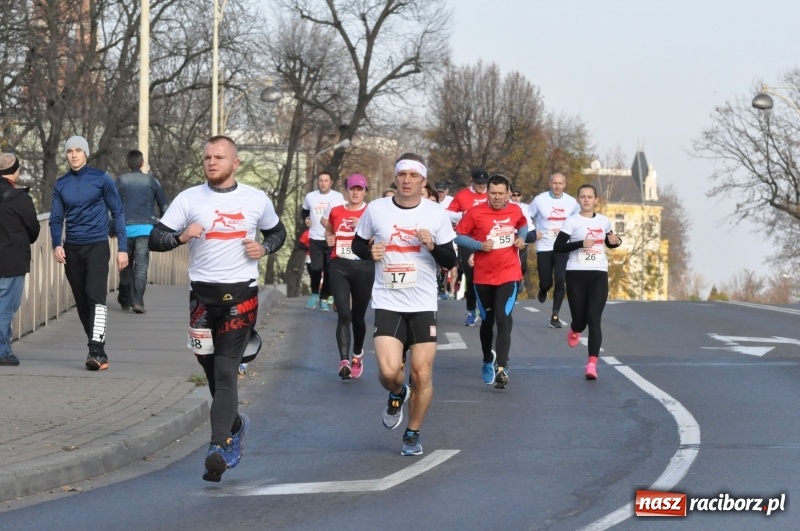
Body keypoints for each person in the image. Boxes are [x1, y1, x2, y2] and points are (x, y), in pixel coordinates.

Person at [148, 135, 286, 482]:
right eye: (207, 157)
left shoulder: (255, 199)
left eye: (219, 157)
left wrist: (264, 248)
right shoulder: (188, 198)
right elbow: (155, 239)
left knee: (225, 371)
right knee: (211, 371)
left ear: (234, 163)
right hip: (201, 300)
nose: (212, 162)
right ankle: (234, 426)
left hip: (241, 297)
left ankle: (217, 447)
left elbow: (278, 233)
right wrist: (180, 237)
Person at [352, 153, 457, 457]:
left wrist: (432, 245)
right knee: (388, 373)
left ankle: (412, 433)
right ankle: (398, 393)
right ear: (395, 177)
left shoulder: (436, 213)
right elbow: (358, 243)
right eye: (402, 175)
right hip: (388, 300)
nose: (407, 180)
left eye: (414, 176)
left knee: (422, 374)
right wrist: (369, 252)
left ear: (423, 180)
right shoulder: (377, 208)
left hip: (423, 303)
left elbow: (450, 259)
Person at [49, 136, 128, 371]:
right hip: (72, 248)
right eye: (69, 151)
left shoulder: (101, 178)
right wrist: (57, 244)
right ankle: (98, 350)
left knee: (96, 296)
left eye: (78, 150)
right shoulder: (61, 184)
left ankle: (96, 351)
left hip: (97, 245)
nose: (73, 155)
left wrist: (122, 248)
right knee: (82, 301)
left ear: (85, 153)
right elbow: (56, 218)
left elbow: (118, 211)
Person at [455, 174, 527, 389]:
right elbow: (459, 235)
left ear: (508, 193)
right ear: (487, 192)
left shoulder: (515, 210)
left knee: (503, 317)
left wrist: (522, 238)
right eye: (493, 193)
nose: (497, 197)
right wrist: (478, 246)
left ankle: (502, 367)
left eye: (501, 193)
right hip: (483, 276)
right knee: (487, 322)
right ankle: (488, 360)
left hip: (509, 274)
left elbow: (523, 225)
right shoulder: (475, 212)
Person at [553, 184, 621, 380]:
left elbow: (610, 242)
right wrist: (581, 243)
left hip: (598, 273)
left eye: (589, 197)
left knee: (594, 318)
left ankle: (592, 364)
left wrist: (617, 241)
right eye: (582, 197)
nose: (586, 200)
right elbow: (558, 246)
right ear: (578, 200)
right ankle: (575, 329)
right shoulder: (572, 221)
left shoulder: (603, 221)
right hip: (576, 273)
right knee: (580, 321)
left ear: (595, 200)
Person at [322, 174, 374, 380]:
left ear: (365, 192)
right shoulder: (336, 211)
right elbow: (328, 232)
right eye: (352, 188)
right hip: (339, 265)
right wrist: (329, 238)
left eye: (359, 189)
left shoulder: (371, 212)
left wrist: (362, 225)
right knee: (344, 314)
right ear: (346, 190)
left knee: (358, 317)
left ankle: (357, 355)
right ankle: (343, 360)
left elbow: (379, 237)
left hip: (363, 267)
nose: (355, 192)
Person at [115, 149, 169, 314]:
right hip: (146, 230)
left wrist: (111, 227)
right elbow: (164, 205)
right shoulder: (152, 181)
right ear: (142, 163)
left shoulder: (121, 181)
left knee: (125, 266)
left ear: (127, 164)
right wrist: (166, 227)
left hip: (125, 230)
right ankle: (138, 301)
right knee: (141, 267)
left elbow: (113, 206)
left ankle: (124, 298)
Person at [0, 154, 40, 367]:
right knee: (5, 308)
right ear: (15, 172)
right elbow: (33, 229)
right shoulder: (20, 199)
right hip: (12, 261)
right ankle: (2, 352)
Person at [528, 172, 579, 328]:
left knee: (561, 280)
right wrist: (532, 232)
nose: (557, 186)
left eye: (560, 183)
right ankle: (543, 288)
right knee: (546, 281)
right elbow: (527, 216)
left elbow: (579, 220)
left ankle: (555, 315)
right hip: (544, 245)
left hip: (562, 246)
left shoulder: (571, 202)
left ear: (564, 184)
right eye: (554, 183)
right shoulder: (540, 200)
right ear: (550, 183)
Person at [447, 169, 489, 326]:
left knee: (488, 276)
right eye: (478, 183)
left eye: (484, 184)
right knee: (471, 277)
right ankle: (471, 310)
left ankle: (487, 308)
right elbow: (448, 213)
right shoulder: (462, 195)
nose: (481, 186)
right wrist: (461, 215)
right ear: (472, 181)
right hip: (467, 240)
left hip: (488, 240)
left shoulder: (491, 194)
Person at [302, 171, 344, 311]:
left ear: (331, 182)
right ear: (318, 182)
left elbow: (342, 214)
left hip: (331, 238)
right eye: (321, 180)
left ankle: (323, 298)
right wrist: (306, 219)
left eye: (326, 180)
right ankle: (315, 292)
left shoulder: (338, 197)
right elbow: (304, 211)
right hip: (315, 238)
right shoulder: (310, 197)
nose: (323, 183)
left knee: (329, 270)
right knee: (316, 267)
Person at [509, 186, 536, 293]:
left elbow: (531, 222)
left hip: (522, 236)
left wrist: (534, 232)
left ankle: (520, 279)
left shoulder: (526, 207)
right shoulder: (506, 206)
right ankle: (512, 282)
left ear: (521, 196)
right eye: (513, 195)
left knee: (523, 262)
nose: (515, 197)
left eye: (518, 195)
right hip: (510, 236)